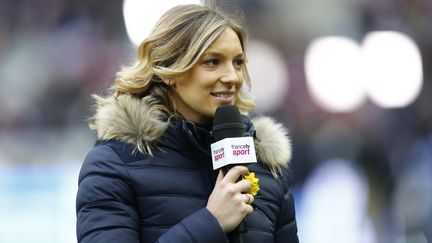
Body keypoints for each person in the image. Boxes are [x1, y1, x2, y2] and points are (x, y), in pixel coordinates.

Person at [76, 2, 299, 243]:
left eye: (237, 62)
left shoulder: (266, 169)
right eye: (212, 62)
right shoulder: (115, 163)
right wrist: (211, 223)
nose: (233, 77)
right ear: (171, 70)